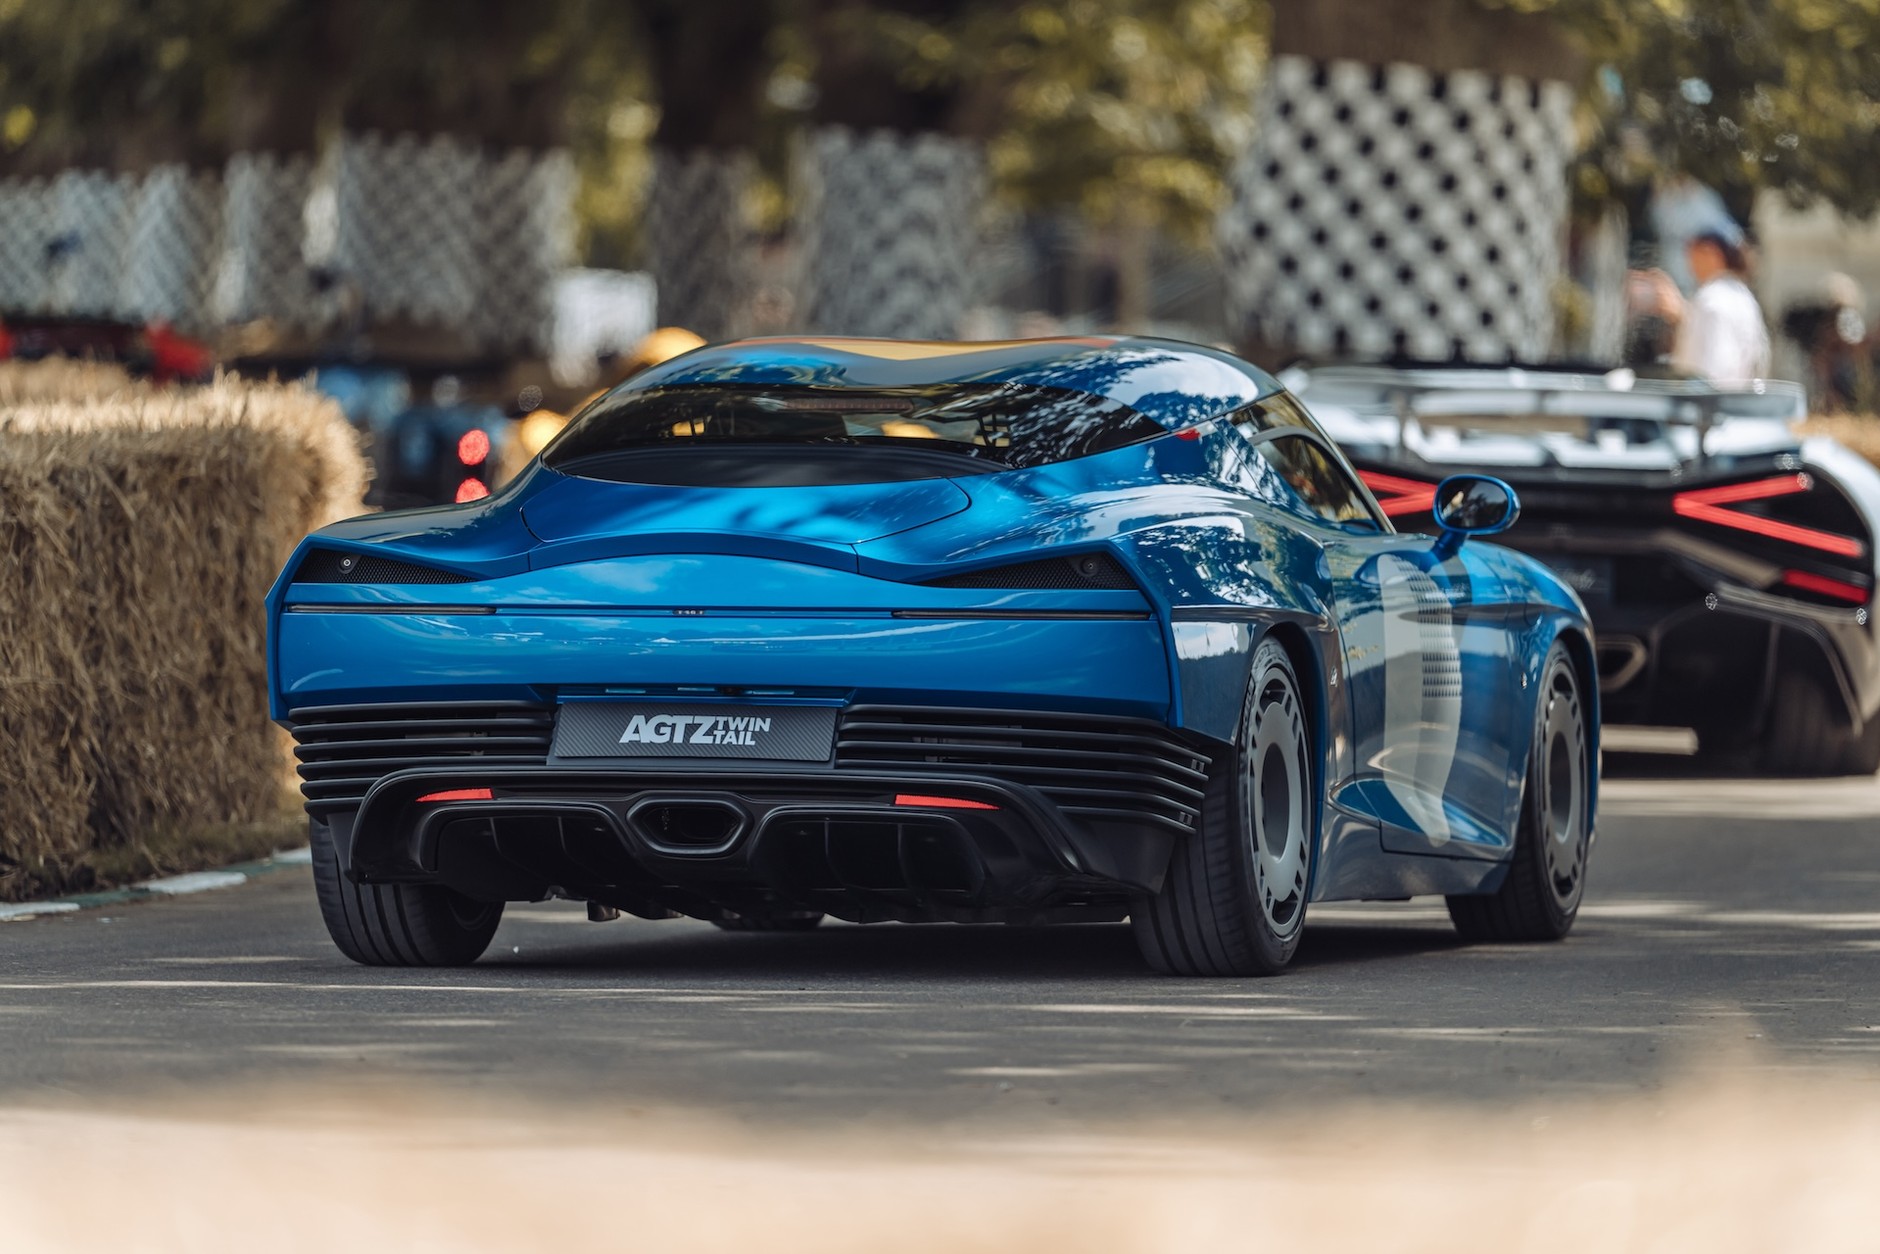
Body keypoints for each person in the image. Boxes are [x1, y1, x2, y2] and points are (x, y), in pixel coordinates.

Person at [1668, 230, 1771, 386]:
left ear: (1711, 253)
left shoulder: (1711, 298)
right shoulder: (1743, 295)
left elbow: (1714, 366)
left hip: (1710, 395)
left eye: (1694, 257)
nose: (1690, 266)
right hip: (1740, 393)